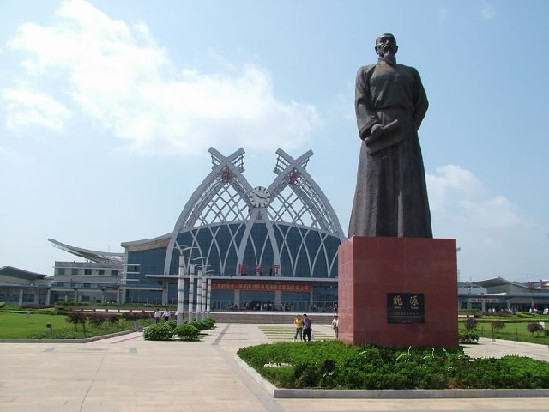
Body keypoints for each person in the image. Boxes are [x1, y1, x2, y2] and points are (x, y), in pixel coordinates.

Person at [349, 33, 432, 238]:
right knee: (375, 183)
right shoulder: (366, 71)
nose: (386, 44)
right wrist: (372, 125)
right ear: (376, 48)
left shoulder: (410, 73)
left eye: (390, 41)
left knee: (407, 181)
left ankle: (410, 233)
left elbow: (421, 103)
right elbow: (361, 101)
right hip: (377, 133)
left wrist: (409, 125)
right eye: (382, 42)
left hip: (404, 131)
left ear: (396, 48)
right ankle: (371, 233)